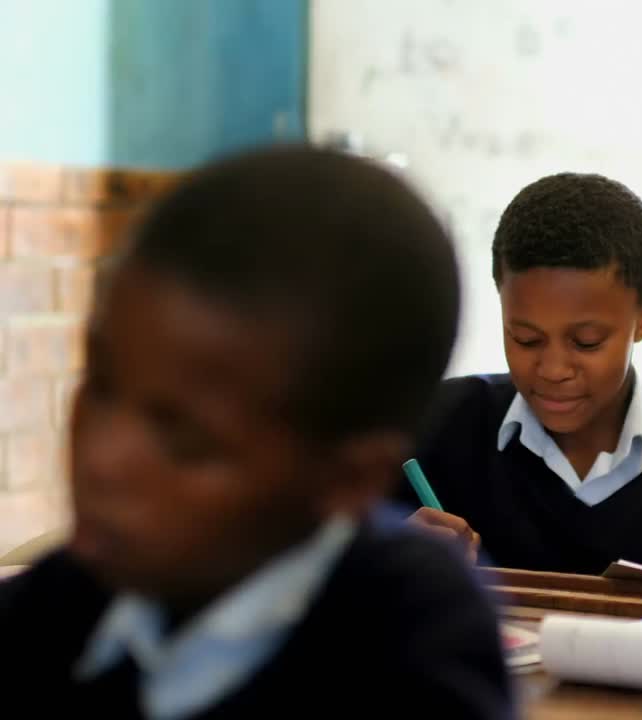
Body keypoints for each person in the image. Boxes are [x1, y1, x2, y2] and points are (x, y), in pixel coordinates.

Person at [0, 147, 513, 718]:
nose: (102, 459)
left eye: (186, 439)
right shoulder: (70, 598)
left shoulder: (415, 638)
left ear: (349, 479)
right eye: (100, 385)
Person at [397, 172, 642, 586]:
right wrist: (379, 559)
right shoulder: (434, 430)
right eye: (525, 339)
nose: (553, 369)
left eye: (586, 342)